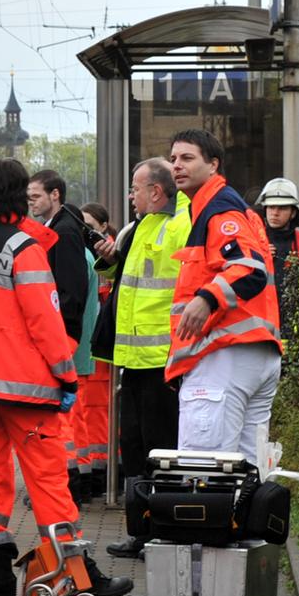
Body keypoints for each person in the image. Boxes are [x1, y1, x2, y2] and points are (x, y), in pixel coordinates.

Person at [0, 158, 133, 596]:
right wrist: (66, 376)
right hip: (22, 385)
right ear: (15, 197)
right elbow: (44, 322)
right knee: (47, 480)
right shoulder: (23, 248)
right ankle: (76, 575)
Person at [90, 158, 192, 560]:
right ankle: (140, 532)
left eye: (136, 188)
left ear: (156, 191)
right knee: (132, 447)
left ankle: (162, 533)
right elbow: (126, 279)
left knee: (161, 450)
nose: (130, 195)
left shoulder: (181, 224)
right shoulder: (138, 227)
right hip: (132, 357)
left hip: (163, 360)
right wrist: (109, 257)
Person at [166, 130, 282, 464]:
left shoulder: (219, 211)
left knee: (205, 470)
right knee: (247, 472)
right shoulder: (231, 209)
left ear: (213, 165)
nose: (177, 166)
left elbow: (249, 269)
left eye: (188, 158)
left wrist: (206, 299)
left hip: (224, 354)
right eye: (173, 159)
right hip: (255, 353)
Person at [26, 171, 97, 501]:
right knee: (67, 416)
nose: (31, 202)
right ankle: (72, 478)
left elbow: (70, 291)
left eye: (36, 196)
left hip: (62, 337)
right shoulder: (61, 228)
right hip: (63, 336)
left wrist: (61, 338)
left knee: (61, 417)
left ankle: (66, 482)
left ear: (55, 195)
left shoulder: (64, 233)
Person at [255, 176, 299, 275]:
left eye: (282, 208)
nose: (275, 213)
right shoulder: (251, 243)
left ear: (293, 213)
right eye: (271, 207)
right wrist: (256, 257)